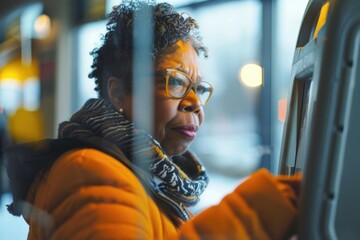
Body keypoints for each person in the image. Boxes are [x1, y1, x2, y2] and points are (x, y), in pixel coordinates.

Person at [4, 1, 301, 239]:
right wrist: (256, 212)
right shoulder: (92, 173)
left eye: (198, 88)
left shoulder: (145, 176)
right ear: (119, 93)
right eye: (175, 82)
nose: (195, 103)